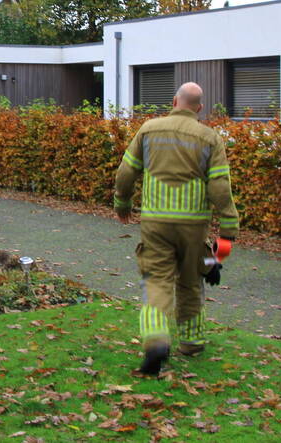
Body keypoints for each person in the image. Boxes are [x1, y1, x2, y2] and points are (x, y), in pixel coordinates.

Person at [113, 81, 240, 377]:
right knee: (191, 281)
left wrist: (122, 204)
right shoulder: (210, 138)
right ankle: (192, 343)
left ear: (173, 101)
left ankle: (156, 342)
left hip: (156, 223)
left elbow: (126, 170)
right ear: (199, 108)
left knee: (156, 281)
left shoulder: (148, 129)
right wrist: (226, 236)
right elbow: (220, 188)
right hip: (194, 226)